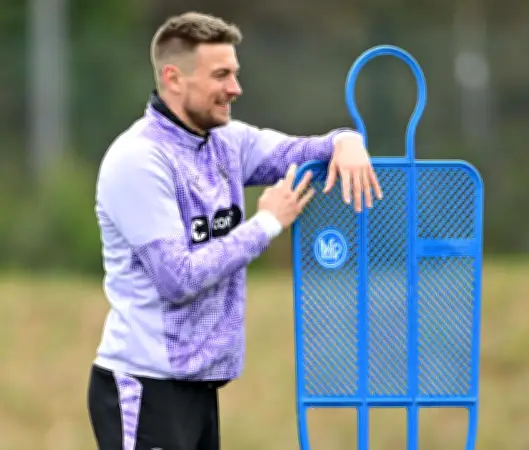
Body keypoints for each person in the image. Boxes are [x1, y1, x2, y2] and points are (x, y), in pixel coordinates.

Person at [86, 11, 382, 450]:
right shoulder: (138, 159)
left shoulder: (228, 141)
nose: (236, 88)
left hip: (199, 389)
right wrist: (265, 224)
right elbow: (177, 278)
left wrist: (346, 139)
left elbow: (299, 152)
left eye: (235, 73)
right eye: (221, 75)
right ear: (173, 79)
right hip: (145, 387)